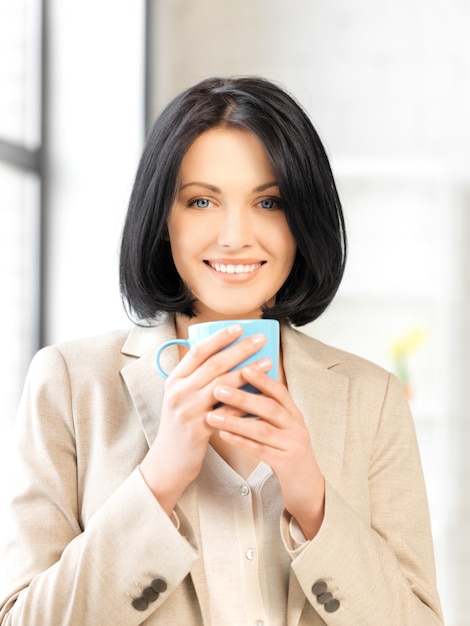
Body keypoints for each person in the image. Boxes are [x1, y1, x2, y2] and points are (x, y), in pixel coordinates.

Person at [0, 76, 443, 625]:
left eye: (269, 201)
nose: (234, 236)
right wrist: (158, 478)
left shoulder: (370, 398)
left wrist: (313, 499)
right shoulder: (69, 385)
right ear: (164, 219)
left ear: (302, 222)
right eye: (202, 201)